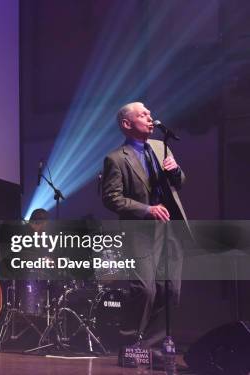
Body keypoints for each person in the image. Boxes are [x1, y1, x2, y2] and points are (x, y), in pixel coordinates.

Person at [101, 102, 188, 355]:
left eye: (150, 113)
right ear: (127, 124)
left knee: (171, 289)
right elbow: (111, 198)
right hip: (139, 232)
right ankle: (129, 344)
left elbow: (179, 183)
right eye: (143, 114)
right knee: (145, 290)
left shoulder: (162, 147)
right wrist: (146, 209)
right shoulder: (116, 159)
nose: (151, 117)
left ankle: (149, 346)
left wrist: (176, 171)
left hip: (170, 228)